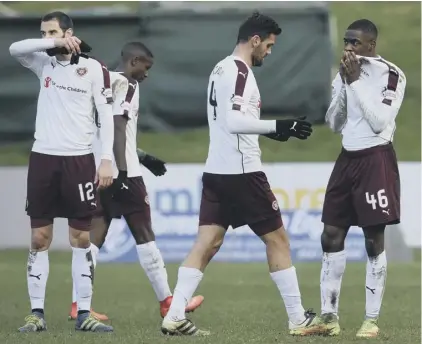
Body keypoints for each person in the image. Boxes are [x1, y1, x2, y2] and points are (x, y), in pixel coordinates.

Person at [161, 12, 320, 337]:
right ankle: (298, 320)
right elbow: (233, 122)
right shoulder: (239, 71)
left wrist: (270, 132)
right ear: (255, 40)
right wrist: (279, 125)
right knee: (278, 240)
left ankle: (175, 315)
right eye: (270, 45)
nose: (270, 53)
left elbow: (231, 121)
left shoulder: (220, 67)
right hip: (242, 172)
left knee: (207, 242)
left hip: (217, 171)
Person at [68, 41, 204, 321]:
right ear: (133, 62)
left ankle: (78, 303)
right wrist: (124, 171)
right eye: (146, 66)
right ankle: (167, 302)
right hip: (123, 172)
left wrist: (142, 156)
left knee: (93, 238)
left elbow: (108, 130)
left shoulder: (103, 82)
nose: (147, 73)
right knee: (145, 236)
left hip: (98, 170)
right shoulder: (128, 85)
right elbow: (118, 126)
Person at [10, 11, 115, 333]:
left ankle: (84, 313)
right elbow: (15, 48)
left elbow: (107, 114)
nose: (45, 39)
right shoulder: (43, 62)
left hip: (79, 160)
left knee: (81, 237)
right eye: (43, 33)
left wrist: (107, 158)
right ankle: (36, 314)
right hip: (43, 159)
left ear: (71, 32)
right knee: (39, 238)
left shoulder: (94, 69)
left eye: (53, 32)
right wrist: (53, 43)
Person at [315, 19, 406, 338]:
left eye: (355, 43)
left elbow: (381, 122)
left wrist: (354, 83)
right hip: (347, 158)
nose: (349, 48)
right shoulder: (343, 71)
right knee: (330, 235)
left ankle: (370, 319)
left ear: (371, 46)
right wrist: (343, 84)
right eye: (346, 42)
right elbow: (334, 123)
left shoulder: (391, 75)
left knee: (372, 239)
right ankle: (329, 315)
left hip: (375, 159)